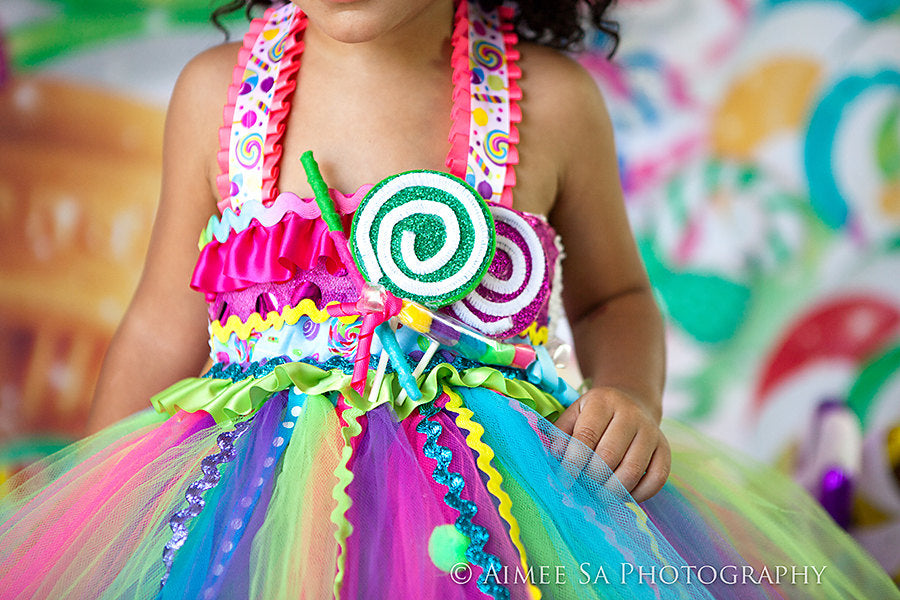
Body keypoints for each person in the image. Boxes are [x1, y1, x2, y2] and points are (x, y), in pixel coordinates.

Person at [0, 1, 896, 598]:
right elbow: (163, 321)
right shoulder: (218, 93)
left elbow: (615, 295)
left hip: (496, 493)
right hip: (255, 504)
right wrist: (99, 513)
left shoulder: (552, 102)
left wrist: (626, 396)